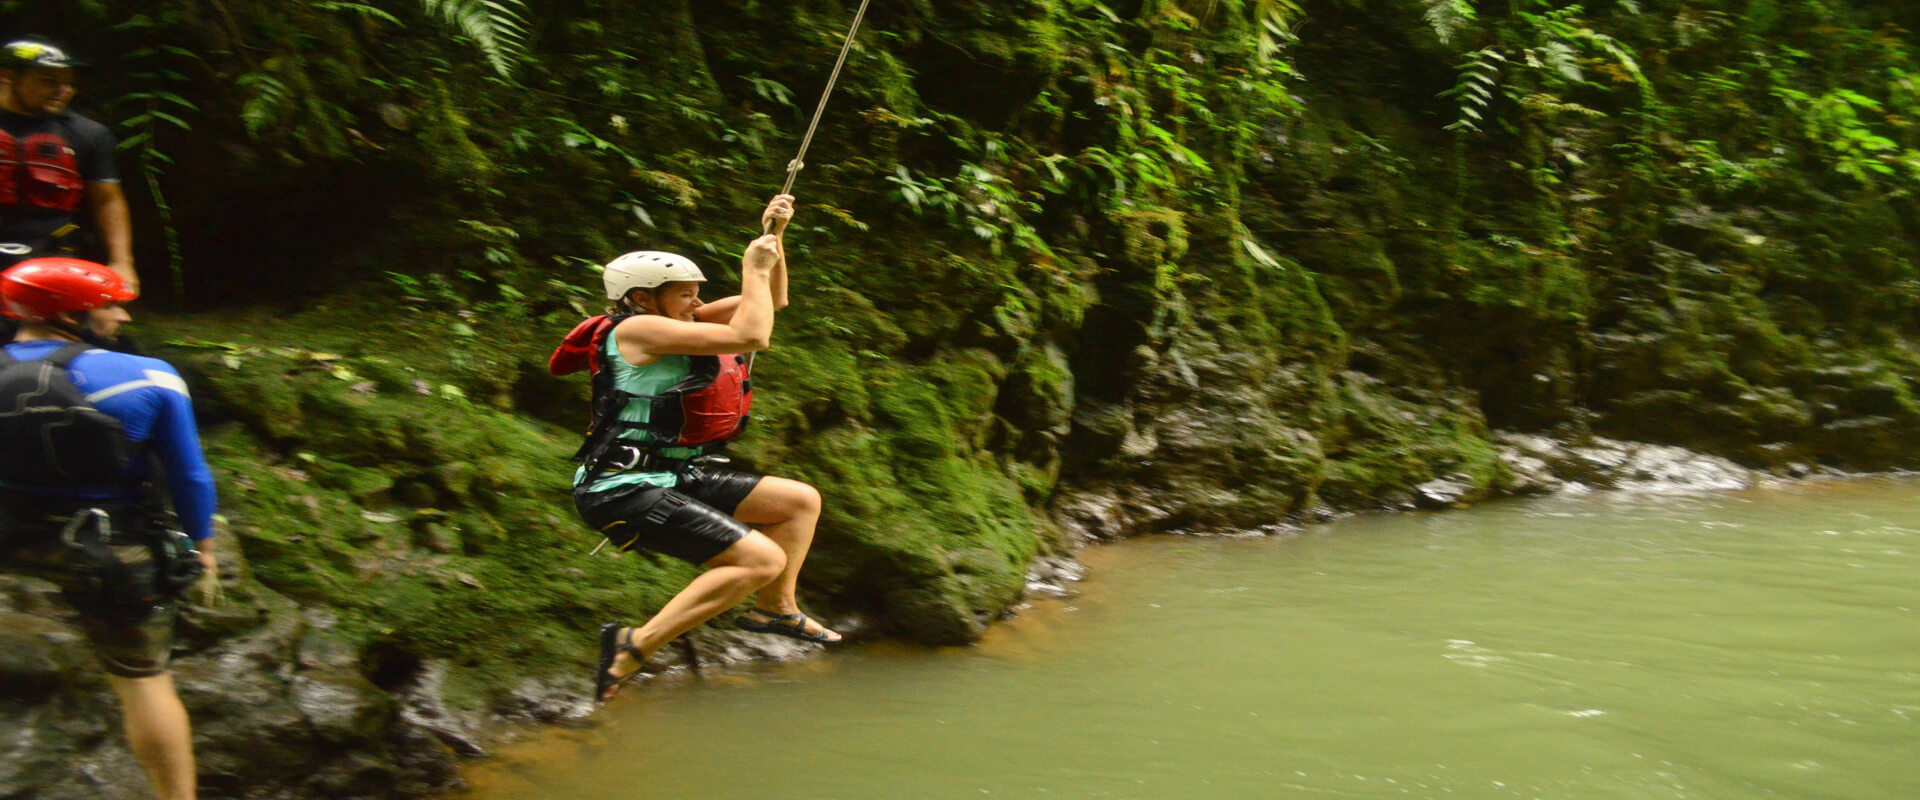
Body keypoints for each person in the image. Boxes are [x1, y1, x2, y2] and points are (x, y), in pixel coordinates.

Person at [551, 195, 839, 702]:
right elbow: (754, 333)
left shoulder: (679, 323)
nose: (696, 305)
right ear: (641, 298)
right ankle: (632, 645)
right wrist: (751, 266)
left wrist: (775, 235)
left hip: (675, 473)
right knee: (758, 560)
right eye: (685, 296)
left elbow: (772, 302)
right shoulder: (636, 330)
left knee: (799, 501)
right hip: (621, 484)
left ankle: (777, 609)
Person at [0, 257, 216, 800]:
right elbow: (189, 476)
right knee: (143, 682)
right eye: (108, 306)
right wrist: (203, 548)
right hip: (113, 550)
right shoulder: (149, 375)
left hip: (12, 536)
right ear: (69, 314)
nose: (120, 316)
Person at [0, 37, 134, 285]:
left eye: (69, 83)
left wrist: (121, 261)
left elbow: (107, 200)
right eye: (49, 81)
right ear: (8, 77)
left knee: (104, 321)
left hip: (52, 259)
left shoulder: (88, 134)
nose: (64, 91)